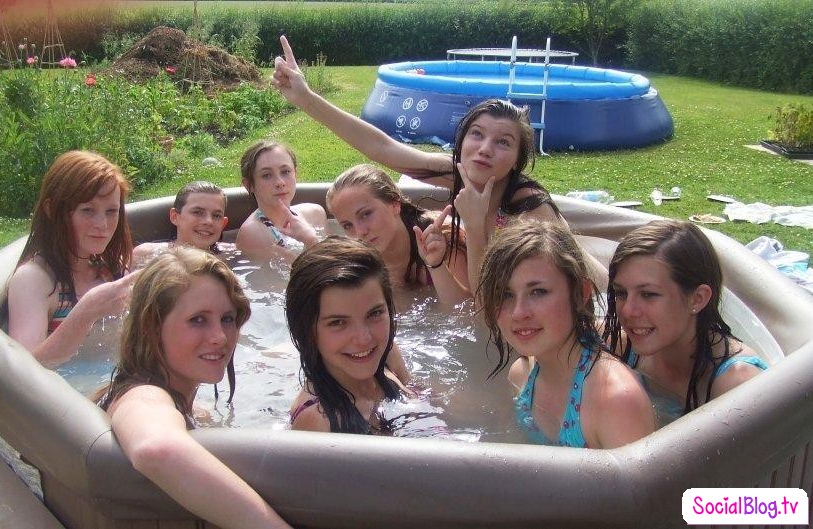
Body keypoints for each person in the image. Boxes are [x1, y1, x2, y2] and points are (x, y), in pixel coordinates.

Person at [270, 35, 607, 291]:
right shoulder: (457, 173)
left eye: (503, 142)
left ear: (518, 159)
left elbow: (499, 296)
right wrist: (306, 98)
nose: (485, 149)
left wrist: (474, 223)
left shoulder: (528, 209)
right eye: (477, 134)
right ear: (461, 143)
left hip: (591, 296)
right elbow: (381, 147)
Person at [98, 247, 290, 529]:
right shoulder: (143, 396)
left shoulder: (192, 409)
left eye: (227, 319)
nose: (220, 337)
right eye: (198, 320)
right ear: (151, 328)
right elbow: (156, 448)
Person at [476, 220, 654, 448]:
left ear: (580, 293)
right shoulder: (521, 376)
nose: (519, 313)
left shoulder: (615, 399)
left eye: (538, 292)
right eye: (505, 295)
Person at [603, 219, 767, 424]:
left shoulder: (737, 383)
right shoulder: (620, 347)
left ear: (697, 299)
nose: (628, 310)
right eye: (621, 293)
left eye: (648, 294)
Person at [8, 150, 136, 368]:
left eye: (111, 211)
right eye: (88, 210)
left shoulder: (109, 270)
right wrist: (87, 312)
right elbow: (23, 372)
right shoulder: (35, 280)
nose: (102, 224)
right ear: (52, 209)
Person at [285, 237, 412, 434]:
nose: (364, 339)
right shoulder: (319, 422)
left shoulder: (386, 353)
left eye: (375, 313)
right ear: (306, 330)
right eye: (338, 322)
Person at [327, 164, 470, 306]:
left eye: (366, 214)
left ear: (395, 204)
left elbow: (466, 311)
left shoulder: (441, 238)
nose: (359, 232)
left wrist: (437, 265)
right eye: (347, 225)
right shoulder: (356, 263)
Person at [236, 140, 327, 255]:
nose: (280, 182)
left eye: (285, 172)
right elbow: (311, 267)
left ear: (295, 174)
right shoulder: (252, 234)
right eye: (266, 175)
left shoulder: (316, 214)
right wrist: (310, 241)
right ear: (249, 185)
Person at [133, 181, 230, 265]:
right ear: (174, 217)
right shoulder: (146, 255)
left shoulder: (230, 255)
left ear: (223, 224)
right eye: (197, 212)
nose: (208, 221)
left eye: (216, 216)